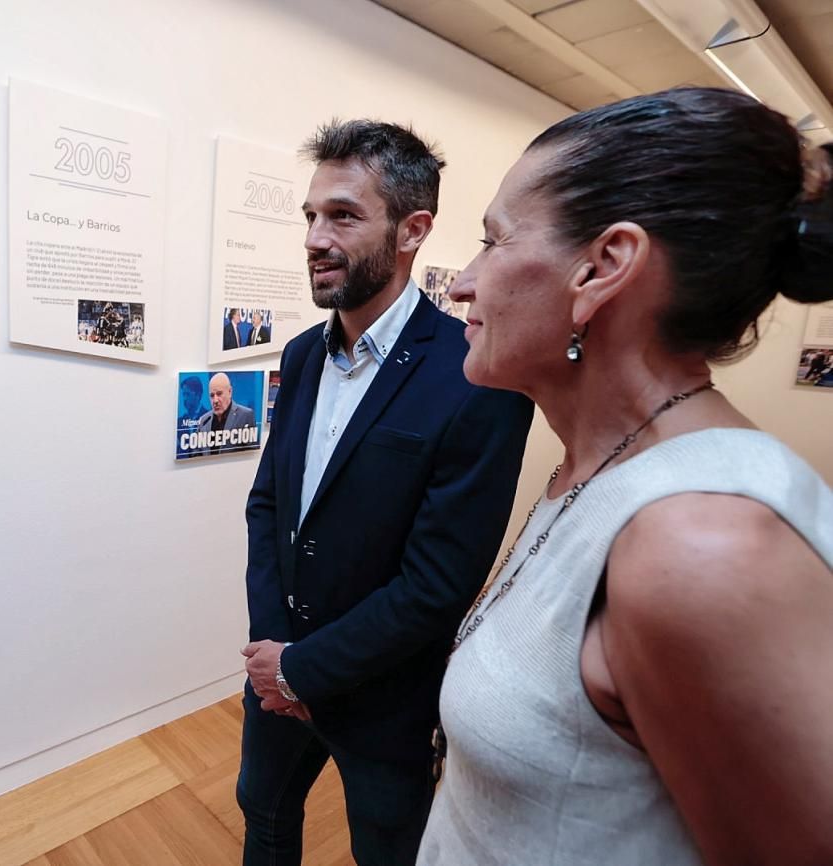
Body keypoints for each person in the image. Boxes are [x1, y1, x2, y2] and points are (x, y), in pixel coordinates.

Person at [417, 89, 833, 866]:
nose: (462, 282)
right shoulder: (602, 462)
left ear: (603, 267)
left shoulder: (704, 548)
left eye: (491, 240)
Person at [239, 119, 533, 866]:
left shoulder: (477, 376)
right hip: (277, 676)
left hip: (385, 700)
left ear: (413, 229)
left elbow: (439, 582)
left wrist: (304, 667)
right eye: (310, 215)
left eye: (342, 215)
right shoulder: (304, 353)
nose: (313, 236)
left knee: (386, 848)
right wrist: (276, 660)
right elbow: (270, 507)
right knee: (264, 815)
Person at [195, 372, 256, 455]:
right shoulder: (203, 421)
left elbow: (251, 454)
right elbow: (196, 454)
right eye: (212, 395)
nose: (215, 400)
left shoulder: (246, 415)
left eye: (219, 394)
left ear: (230, 392)